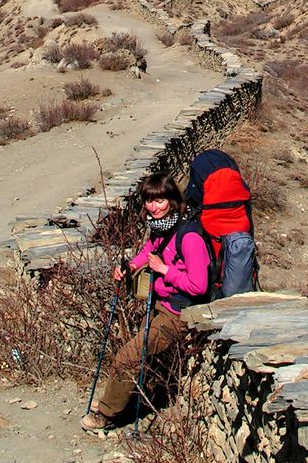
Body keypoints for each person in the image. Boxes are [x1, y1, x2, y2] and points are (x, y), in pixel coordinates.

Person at [81, 172, 210, 433]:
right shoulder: (162, 228)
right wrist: (130, 267)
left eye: (159, 200)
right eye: (149, 201)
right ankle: (123, 399)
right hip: (161, 306)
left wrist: (164, 271)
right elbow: (148, 252)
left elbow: (199, 285)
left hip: (178, 312)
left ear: (172, 200)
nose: (154, 207)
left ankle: (106, 415)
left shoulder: (189, 236)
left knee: (127, 357)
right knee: (140, 358)